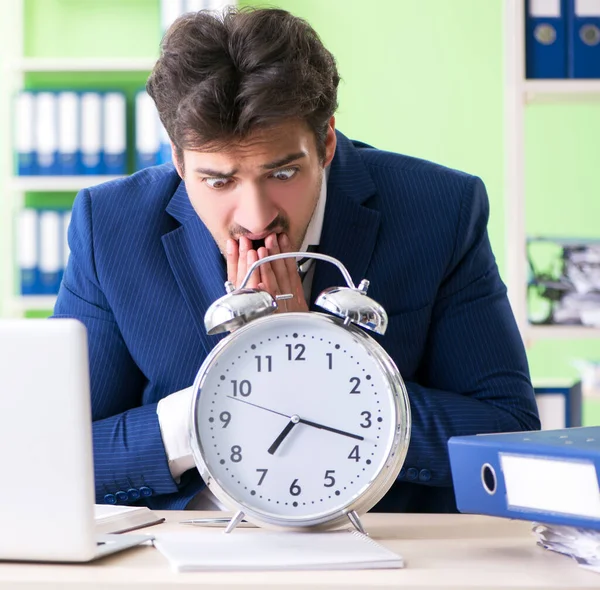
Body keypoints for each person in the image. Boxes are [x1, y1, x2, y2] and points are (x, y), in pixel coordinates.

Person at [53, 7, 540, 513]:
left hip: (383, 554)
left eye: (282, 174)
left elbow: (508, 437)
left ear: (325, 142)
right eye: (219, 182)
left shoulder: (438, 210)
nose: (256, 217)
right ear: (179, 162)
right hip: (188, 555)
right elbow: (52, 455)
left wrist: (320, 358)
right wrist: (209, 409)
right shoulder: (110, 227)